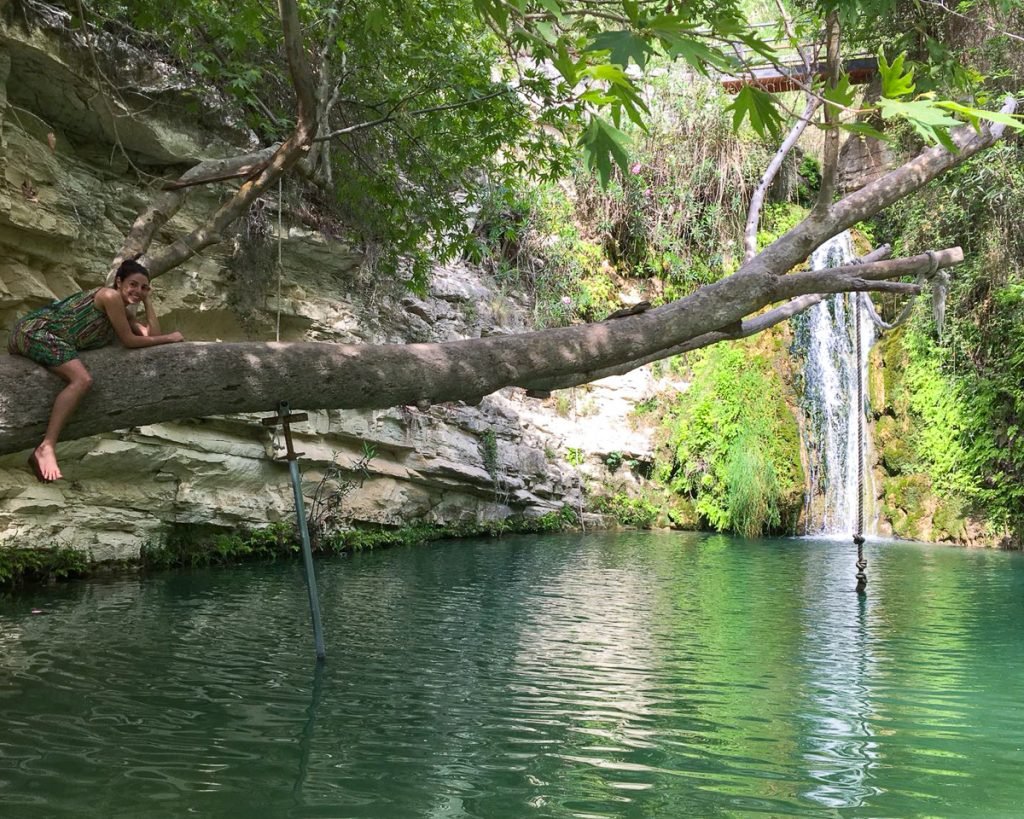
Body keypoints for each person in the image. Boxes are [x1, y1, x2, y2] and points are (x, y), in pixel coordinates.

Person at [7, 258, 185, 482]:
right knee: (82, 380)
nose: (138, 291)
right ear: (119, 282)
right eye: (133, 284)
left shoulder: (123, 311)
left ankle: (45, 450)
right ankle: (46, 446)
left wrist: (148, 302)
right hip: (35, 332)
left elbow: (151, 336)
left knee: (81, 379)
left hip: (52, 341)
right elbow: (130, 341)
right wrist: (170, 338)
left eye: (144, 287)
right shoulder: (109, 297)